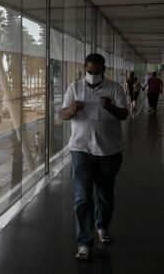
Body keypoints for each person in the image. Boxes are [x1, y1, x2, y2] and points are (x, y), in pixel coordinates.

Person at [61, 53, 128, 261]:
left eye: (96, 72)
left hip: (109, 151)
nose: (92, 75)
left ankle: (102, 225)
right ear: (84, 68)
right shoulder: (74, 87)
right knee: (82, 196)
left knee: (105, 194)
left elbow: (124, 114)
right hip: (81, 150)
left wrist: (110, 107)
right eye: (89, 71)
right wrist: (72, 109)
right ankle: (84, 242)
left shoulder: (114, 88)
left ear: (104, 70)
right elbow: (63, 114)